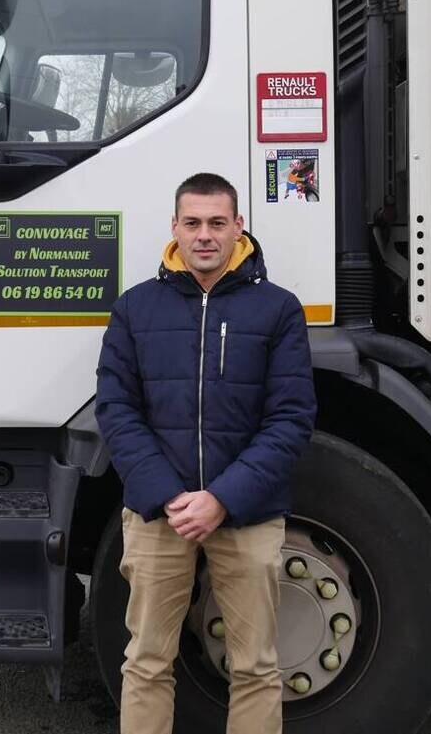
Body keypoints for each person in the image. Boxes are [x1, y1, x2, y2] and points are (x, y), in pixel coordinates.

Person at [95, 172, 316, 734]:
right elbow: (116, 410)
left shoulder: (279, 310)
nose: (205, 236)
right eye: (192, 223)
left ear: (239, 226)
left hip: (246, 511)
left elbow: (291, 419)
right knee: (146, 661)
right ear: (174, 228)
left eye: (218, 223)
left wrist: (221, 498)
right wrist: (170, 494)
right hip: (158, 515)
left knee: (257, 667)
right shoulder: (135, 309)